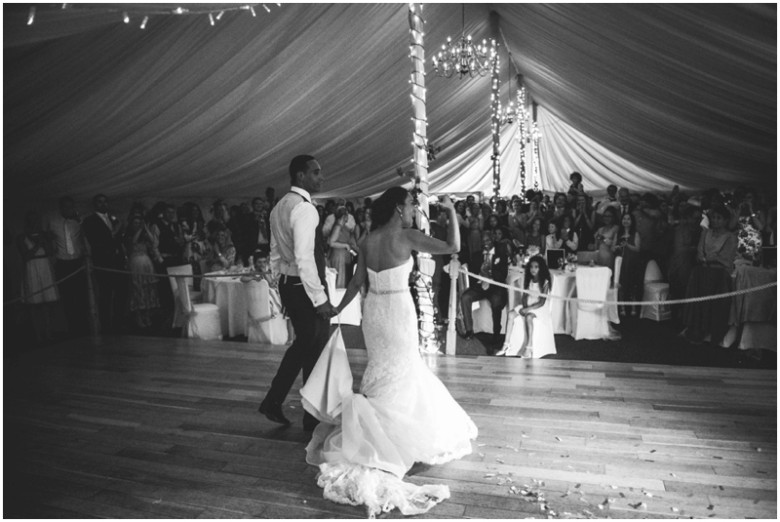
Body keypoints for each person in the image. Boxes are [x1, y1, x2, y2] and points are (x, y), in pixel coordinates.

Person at [306, 187, 477, 516]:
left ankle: (377, 430)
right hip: (398, 311)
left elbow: (356, 285)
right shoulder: (408, 236)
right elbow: (453, 247)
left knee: (383, 368)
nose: (414, 209)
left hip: (374, 315)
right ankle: (398, 437)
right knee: (404, 368)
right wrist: (452, 211)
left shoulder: (369, 240)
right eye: (412, 204)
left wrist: (336, 310)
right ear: (400, 209)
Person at [258, 155, 338, 430]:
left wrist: (279, 286)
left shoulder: (279, 206)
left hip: (290, 284)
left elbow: (274, 253)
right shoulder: (305, 209)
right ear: (300, 176)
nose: (321, 177)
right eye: (316, 173)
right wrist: (321, 299)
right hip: (305, 288)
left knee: (306, 347)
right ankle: (306, 415)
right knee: (312, 348)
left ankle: (298, 410)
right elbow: (305, 258)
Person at [682, 205, 737, 345]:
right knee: (697, 301)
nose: (715, 220)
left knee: (714, 304)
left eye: (719, 218)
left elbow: (725, 259)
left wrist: (709, 258)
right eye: (713, 217)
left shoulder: (730, 237)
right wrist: (705, 258)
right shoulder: (705, 233)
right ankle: (694, 329)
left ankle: (710, 333)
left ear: (725, 220)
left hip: (719, 276)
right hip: (701, 272)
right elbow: (700, 252)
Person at [82, 193, 126, 333]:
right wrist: (114, 232)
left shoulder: (113, 219)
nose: (103, 204)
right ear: (95, 204)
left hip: (118, 262)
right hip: (104, 263)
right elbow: (96, 242)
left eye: (105, 202)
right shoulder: (89, 221)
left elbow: (119, 240)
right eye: (100, 202)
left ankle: (119, 323)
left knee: (120, 294)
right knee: (105, 295)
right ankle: (106, 326)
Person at [46, 196, 89, 335]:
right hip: (63, 263)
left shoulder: (78, 223)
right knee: (68, 296)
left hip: (77, 262)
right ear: (61, 208)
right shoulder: (53, 223)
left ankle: (84, 326)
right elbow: (48, 239)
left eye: (71, 207)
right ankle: (72, 327)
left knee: (82, 295)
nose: (69, 209)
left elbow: (84, 239)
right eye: (66, 207)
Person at [17, 210, 60, 344]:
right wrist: (38, 245)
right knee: (34, 304)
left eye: (36, 220)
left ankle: (48, 332)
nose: (34, 223)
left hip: (44, 266)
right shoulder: (22, 237)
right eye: (31, 220)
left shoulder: (44, 235)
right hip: (32, 267)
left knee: (47, 303)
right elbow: (26, 256)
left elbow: (51, 252)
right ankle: (38, 335)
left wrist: (47, 240)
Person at [496, 255, 551, 358]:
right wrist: (524, 307)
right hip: (528, 304)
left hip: (538, 307)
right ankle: (506, 344)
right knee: (511, 314)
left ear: (541, 268)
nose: (533, 269)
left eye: (536, 267)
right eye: (531, 267)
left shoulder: (545, 282)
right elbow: (525, 296)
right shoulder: (529, 279)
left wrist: (528, 309)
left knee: (529, 317)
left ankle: (529, 347)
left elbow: (542, 302)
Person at [460, 230, 510, 342]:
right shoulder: (477, 255)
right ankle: (469, 330)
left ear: (493, 240)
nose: (485, 243)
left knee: (496, 300)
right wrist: (480, 278)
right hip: (480, 285)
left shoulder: (501, 255)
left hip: (495, 285)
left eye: (487, 240)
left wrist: (490, 276)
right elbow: (472, 273)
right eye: (483, 241)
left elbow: (503, 275)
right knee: (465, 297)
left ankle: (497, 332)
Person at [123, 214, 160, 330]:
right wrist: (139, 230)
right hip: (135, 264)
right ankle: (138, 316)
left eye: (139, 223)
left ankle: (147, 315)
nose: (138, 225)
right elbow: (133, 242)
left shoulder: (144, 235)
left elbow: (154, 242)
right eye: (136, 223)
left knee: (149, 289)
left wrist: (146, 229)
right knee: (137, 289)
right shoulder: (128, 236)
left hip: (146, 263)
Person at [614, 212, 642, 317]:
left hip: (632, 262)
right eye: (624, 219)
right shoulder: (618, 234)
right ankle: (622, 308)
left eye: (628, 219)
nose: (626, 221)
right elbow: (613, 248)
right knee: (620, 285)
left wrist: (627, 245)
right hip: (620, 262)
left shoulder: (636, 234)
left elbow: (637, 249)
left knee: (632, 285)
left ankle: (633, 307)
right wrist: (617, 247)